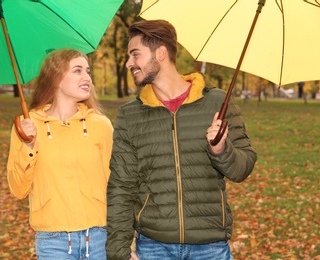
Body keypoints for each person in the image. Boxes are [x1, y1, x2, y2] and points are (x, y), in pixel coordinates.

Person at [106, 20, 257, 260]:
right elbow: (121, 187)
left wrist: (221, 149)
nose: (128, 63)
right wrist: (118, 253)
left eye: (135, 55)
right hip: (154, 247)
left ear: (161, 53)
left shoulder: (217, 102)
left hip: (210, 248)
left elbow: (243, 168)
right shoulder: (130, 115)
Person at [7, 49, 113, 260]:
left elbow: (116, 184)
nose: (87, 78)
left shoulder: (101, 125)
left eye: (88, 71)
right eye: (77, 70)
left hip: (98, 238)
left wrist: (123, 238)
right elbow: (18, 189)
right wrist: (28, 146)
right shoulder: (27, 125)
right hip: (52, 241)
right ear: (55, 79)